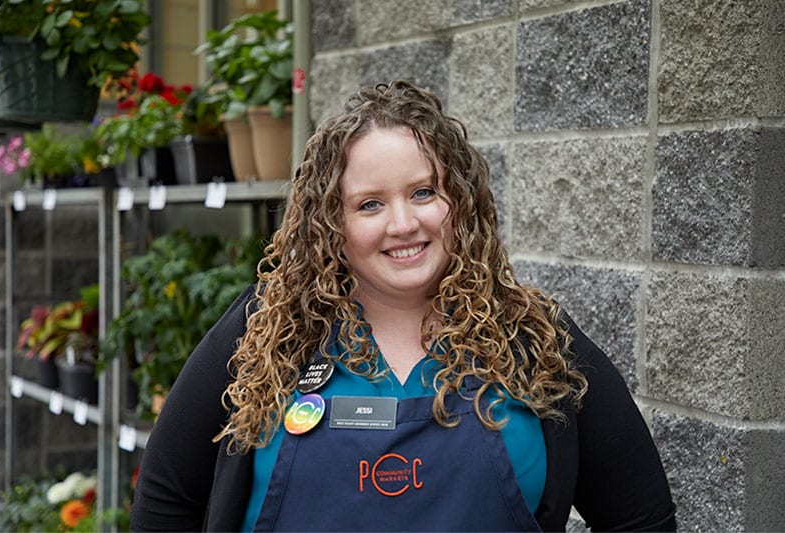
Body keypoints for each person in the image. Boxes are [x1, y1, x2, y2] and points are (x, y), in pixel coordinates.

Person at [130, 80, 676, 531]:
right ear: (332, 225)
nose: (403, 224)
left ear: (459, 201)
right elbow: (165, 501)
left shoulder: (535, 338)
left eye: (423, 192)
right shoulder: (265, 331)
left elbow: (641, 518)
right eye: (370, 204)